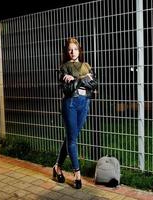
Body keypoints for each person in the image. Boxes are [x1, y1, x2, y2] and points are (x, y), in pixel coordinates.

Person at [53, 37, 98, 189]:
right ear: (67, 52)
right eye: (70, 49)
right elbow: (67, 89)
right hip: (70, 104)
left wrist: (76, 80)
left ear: (80, 50)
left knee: (71, 138)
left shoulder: (86, 65)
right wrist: (84, 80)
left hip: (84, 104)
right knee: (72, 140)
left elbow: (94, 84)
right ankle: (77, 174)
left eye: (76, 49)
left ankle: (57, 167)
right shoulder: (63, 67)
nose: (73, 52)